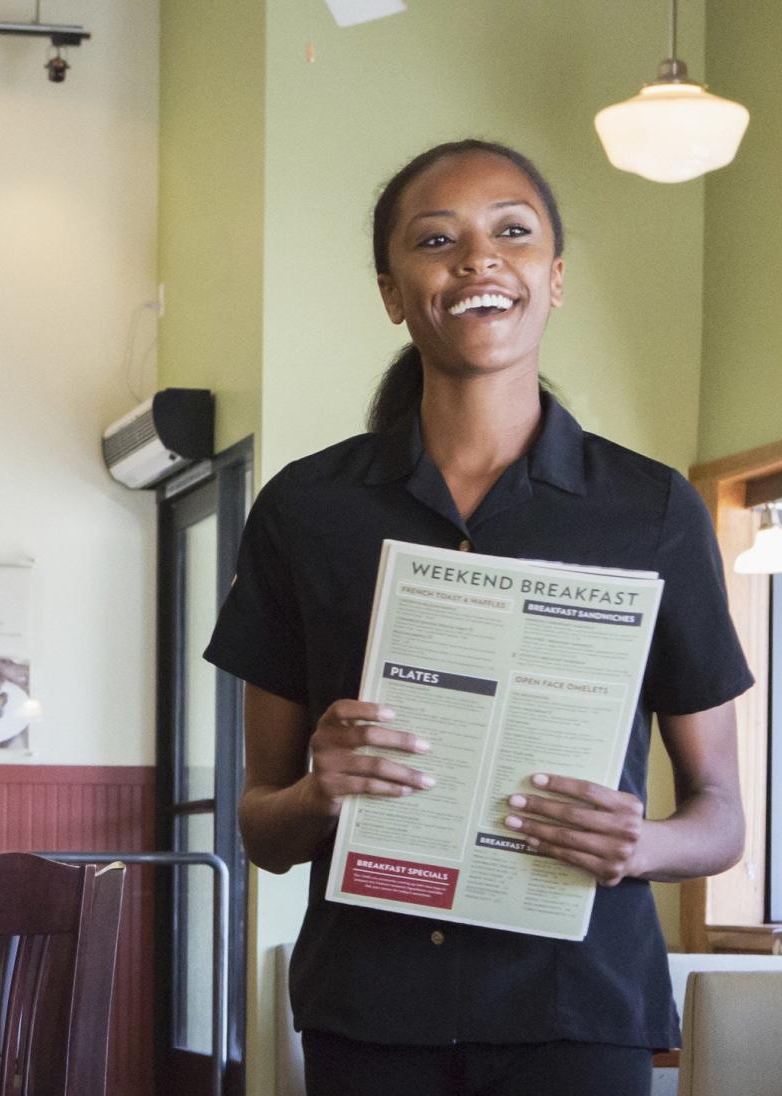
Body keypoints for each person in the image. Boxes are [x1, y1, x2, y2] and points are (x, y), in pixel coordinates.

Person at [204, 139, 753, 1096]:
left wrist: (645, 844)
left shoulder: (653, 509)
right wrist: (316, 794)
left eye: (512, 232)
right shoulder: (306, 510)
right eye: (435, 239)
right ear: (391, 292)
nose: (477, 259)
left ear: (555, 278)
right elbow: (261, 827)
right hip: (371, 1010)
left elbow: (720, 817)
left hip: (577, 1009)